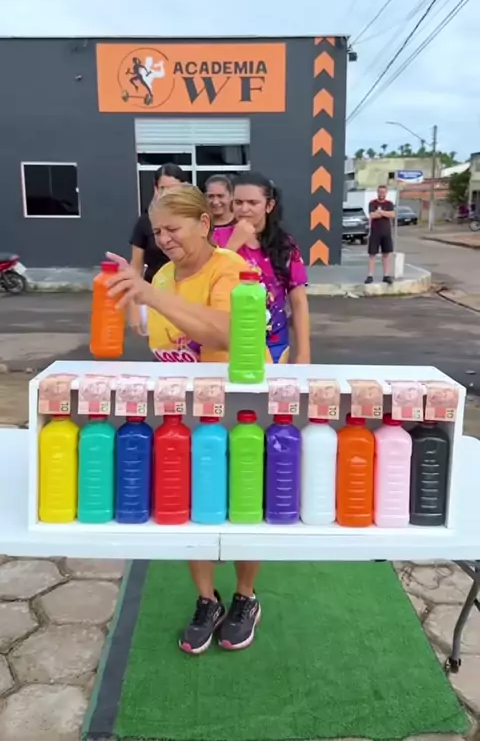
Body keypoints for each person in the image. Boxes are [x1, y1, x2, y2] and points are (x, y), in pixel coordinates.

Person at [106, 184, 262, 654]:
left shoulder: (230, 268)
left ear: (204, 223)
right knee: (193, 504)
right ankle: (206, 599)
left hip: (238, 411)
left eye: (172, 228)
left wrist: (153, 297)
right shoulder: (163, 276)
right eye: (157, 232)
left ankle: (245, 596)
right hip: (185, 414)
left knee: (243, 504)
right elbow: (164, 345)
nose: (164, 239)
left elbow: (226, 333)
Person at [213, 172, 310, 364]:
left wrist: (303, 354)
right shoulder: (217, 238)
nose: (244, 209)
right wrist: (233, 245)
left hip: (274, 345)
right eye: (238, 202)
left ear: (269, 206)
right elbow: (208, 281)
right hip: (227, 343)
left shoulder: (285, 244)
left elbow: (298, 301)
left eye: (252, 203)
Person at [129, 163, 190, 334]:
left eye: (173, 188)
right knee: (160, 344)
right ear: (156, 189)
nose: (168, 193)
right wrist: (134, 308)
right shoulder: (145, 222)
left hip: (189, 297)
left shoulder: (194, 219)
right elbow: (135, 268)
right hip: (154, 296)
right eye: (163, 188)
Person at [365, 184, 395, 285]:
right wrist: (384, 214)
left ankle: (386, 275)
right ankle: (370, 275)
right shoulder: (372, 203)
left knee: (386, 254)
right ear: (377, 192)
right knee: (372, 254)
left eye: (383, 192)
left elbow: (392, 214)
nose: (381, 194)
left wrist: (380, 212)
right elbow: (372, 215)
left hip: (386, 233)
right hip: (375, 232)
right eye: (380, 192)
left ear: (386, 193)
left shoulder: (389, 203)